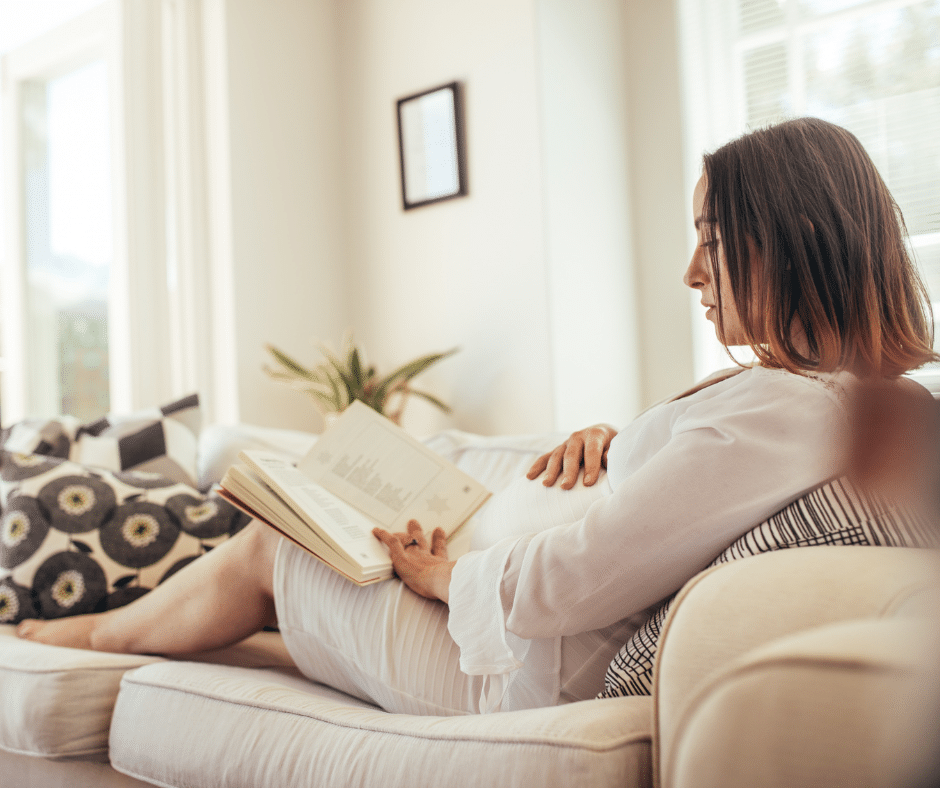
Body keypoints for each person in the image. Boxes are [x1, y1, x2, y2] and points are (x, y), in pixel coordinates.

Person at [16, 117, 938, 715]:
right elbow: (679, 509)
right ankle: (120, 631)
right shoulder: (809, 404)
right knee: (288, 578)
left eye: (712, 243)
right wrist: (620, 446)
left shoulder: (795, 411)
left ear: (794, 243)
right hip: (507, 627)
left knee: (273, 546)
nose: (693, 274)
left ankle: (72, 636)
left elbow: (573, 582)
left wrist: (444, 577)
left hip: (515, 664)